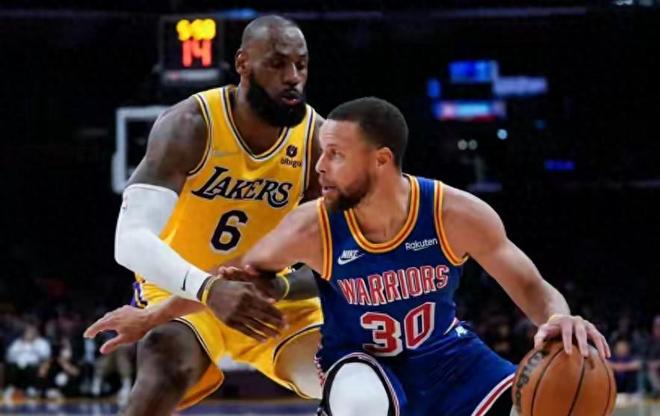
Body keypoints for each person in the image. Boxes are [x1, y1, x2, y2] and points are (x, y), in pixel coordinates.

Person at [89, 97, 611, 415]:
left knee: (551, 402)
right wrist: (153, 315)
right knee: (362, 402)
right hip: (362, 365)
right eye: (321, 153)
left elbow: (531, 287)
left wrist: (559, 318)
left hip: (447, 361)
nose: (319, 167)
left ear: (380, 161)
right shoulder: (311, 225)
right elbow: (237, 282)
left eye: (335, 155)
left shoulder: (453, 212)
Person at [86, 15, 324, 415]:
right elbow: (129, 240)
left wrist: (278, 286)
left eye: (301, 65)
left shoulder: (317, 140)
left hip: (267, 292)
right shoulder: (190, 125)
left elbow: (337, 257)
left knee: (350, 380)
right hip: (181, 285)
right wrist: (209, 290)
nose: (293, 77)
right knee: (166, 368)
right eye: (277, 63)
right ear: (243, 63)